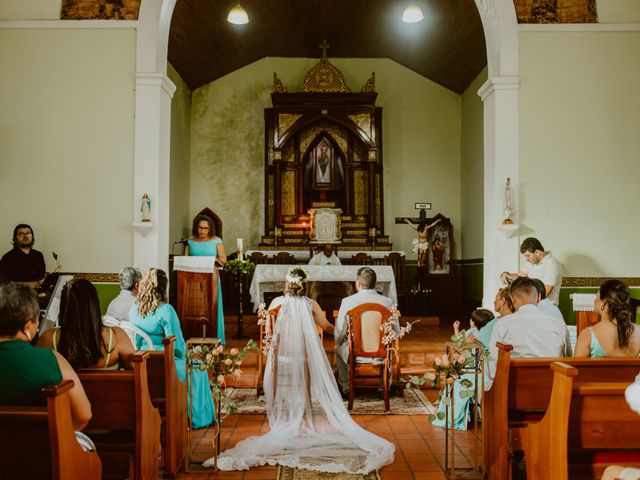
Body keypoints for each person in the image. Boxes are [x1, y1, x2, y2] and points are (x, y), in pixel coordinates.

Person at [203, 266, 394, 473]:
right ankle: (305, 411)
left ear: (288, 285)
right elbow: (329, 328)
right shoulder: (311, 304)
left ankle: (281, 407)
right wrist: (347, 331)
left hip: (281, 356)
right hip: (303, 356)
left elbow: (269, 332)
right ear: (305, 286)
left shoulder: (276, 304)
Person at [129, 268, 214, 429]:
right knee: (199, 368)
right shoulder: (165, 310)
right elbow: (179, 348)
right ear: (163, 287)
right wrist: (190, 353)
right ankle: (196, 417)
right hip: (165, 361)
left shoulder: (134, 309)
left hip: (143, 359)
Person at [0, 283, 92, 430]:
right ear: (28, 327)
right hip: (43, 448)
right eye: (37, 320)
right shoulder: (51, 358)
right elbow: (83, 415)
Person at [486, 277, 568, 390]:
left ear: (512, 299)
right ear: (539, 298)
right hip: (552, 393)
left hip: (511, 395)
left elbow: (492, 369)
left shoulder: (502, 324)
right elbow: (567, 359)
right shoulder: (558, 324)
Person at [37, 279, 134, 370]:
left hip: (67, 388)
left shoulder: (48, 338)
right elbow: (135, 370)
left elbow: (37, 372)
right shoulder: (117, 337)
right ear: (94, 305)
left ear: (64, 306)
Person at [334, 267, 395, 397]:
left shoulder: (347, 302)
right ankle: (384, 386)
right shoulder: (388, 302)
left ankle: (346, 388)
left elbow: (338, 334)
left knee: (338, 350)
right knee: (389, 350)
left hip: (354, 353)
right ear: (375, 283)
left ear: (358, 283)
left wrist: (341, 341)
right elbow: (396, 331)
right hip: (380, 354)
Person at [433, 309, 497, 430]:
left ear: (473, 322)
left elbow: (461, 346)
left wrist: (456, 329)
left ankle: (453, 416)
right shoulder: (491, 333)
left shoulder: (472, 333)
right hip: (485, 369)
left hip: (473, 370)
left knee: (455, 381)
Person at [184, 214, 227, 343]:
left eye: (205, 228)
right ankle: (194, 337)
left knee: (211, 309)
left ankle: (215, 336)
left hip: (211, 280)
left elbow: (224, 260)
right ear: (196, 228)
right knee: (196, 310)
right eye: (200, 228)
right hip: (193, 282)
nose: (202, 231)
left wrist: (215, 260)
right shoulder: (190, 241)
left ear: (210, 229)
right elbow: (184, 260)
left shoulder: (216, 241)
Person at [574, 279, 640, 358]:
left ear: (604, 302)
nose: (594, 300)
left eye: (597, 296)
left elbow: (576, 369)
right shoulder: (638, 332)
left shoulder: (587, 335)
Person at [500, 237, 562, 305]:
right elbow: (519, 275)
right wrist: (507, 275)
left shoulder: (552, 264)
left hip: (546, 308)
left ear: (537, 252)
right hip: (533, 305)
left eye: (528, 256)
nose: (526, 259)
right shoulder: (532, 262)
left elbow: (546, 292)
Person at [531, 278, 573, 356]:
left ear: (538, 296)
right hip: (557, 361)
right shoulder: (554, 308)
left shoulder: (533, 311)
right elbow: (568, 348)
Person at [0, 224, 46, 288]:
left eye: (28, 233)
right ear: (15, 238)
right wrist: (27, 284)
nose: (25, 236)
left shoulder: (38, 255)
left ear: (32, 236)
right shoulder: (8, 257)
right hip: (16, 296)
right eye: (21, 234)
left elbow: (41, 277)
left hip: (38, 294)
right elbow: (3, 283)